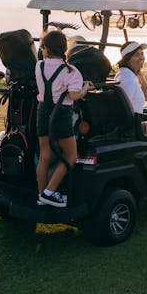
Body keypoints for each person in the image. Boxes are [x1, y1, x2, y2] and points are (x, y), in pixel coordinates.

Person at [35, 30, 92, 207]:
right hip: (61, 116)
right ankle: (50, 191)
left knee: (44, 156)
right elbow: (74, 96)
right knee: (71, 156)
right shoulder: (71, 71)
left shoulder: (39, 66)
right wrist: (85, 88)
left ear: (45, 48)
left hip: (43, 113)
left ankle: (41, 195)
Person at [114, 41, 147, 139]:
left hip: (135, 121)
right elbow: (124, 110)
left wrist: (139, 74)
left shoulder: (127, 74)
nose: (142, 57)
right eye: (137, 55)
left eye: (142, 54)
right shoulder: (128, 79)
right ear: (127, 59)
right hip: (132, 127)